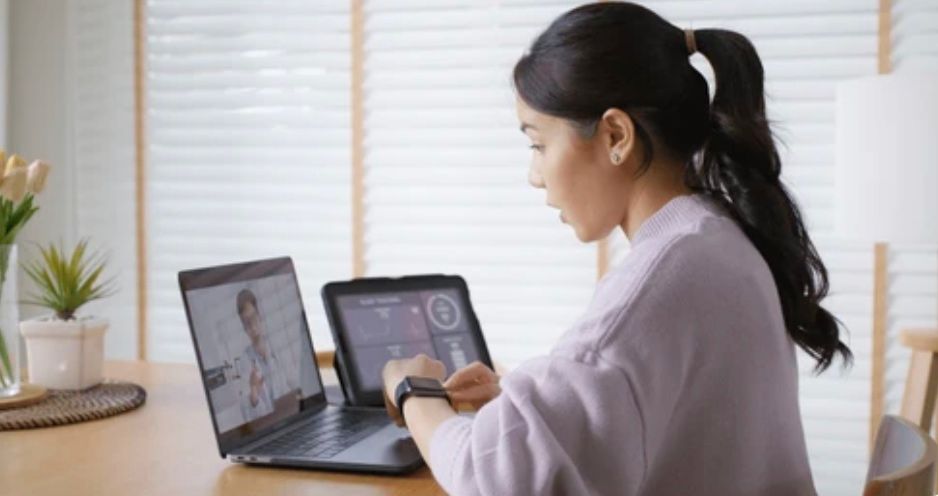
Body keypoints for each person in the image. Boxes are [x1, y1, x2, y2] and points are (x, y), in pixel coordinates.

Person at [380, 2, 852, 495]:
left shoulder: (662, 278)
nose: (534, 175)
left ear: (615, 135)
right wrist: (536, 417)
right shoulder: (715, 237)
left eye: (538, 144)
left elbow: (495, 481)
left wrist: (414, 392)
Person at [235, 288, 291, 422]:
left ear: (259, 316)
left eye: (254, 318)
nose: (252, 326)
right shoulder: (244, 361)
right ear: (243, 327)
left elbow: (291, 385)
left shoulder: (277, 347)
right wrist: (254, 390)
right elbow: (249, 413)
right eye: (247, 322)